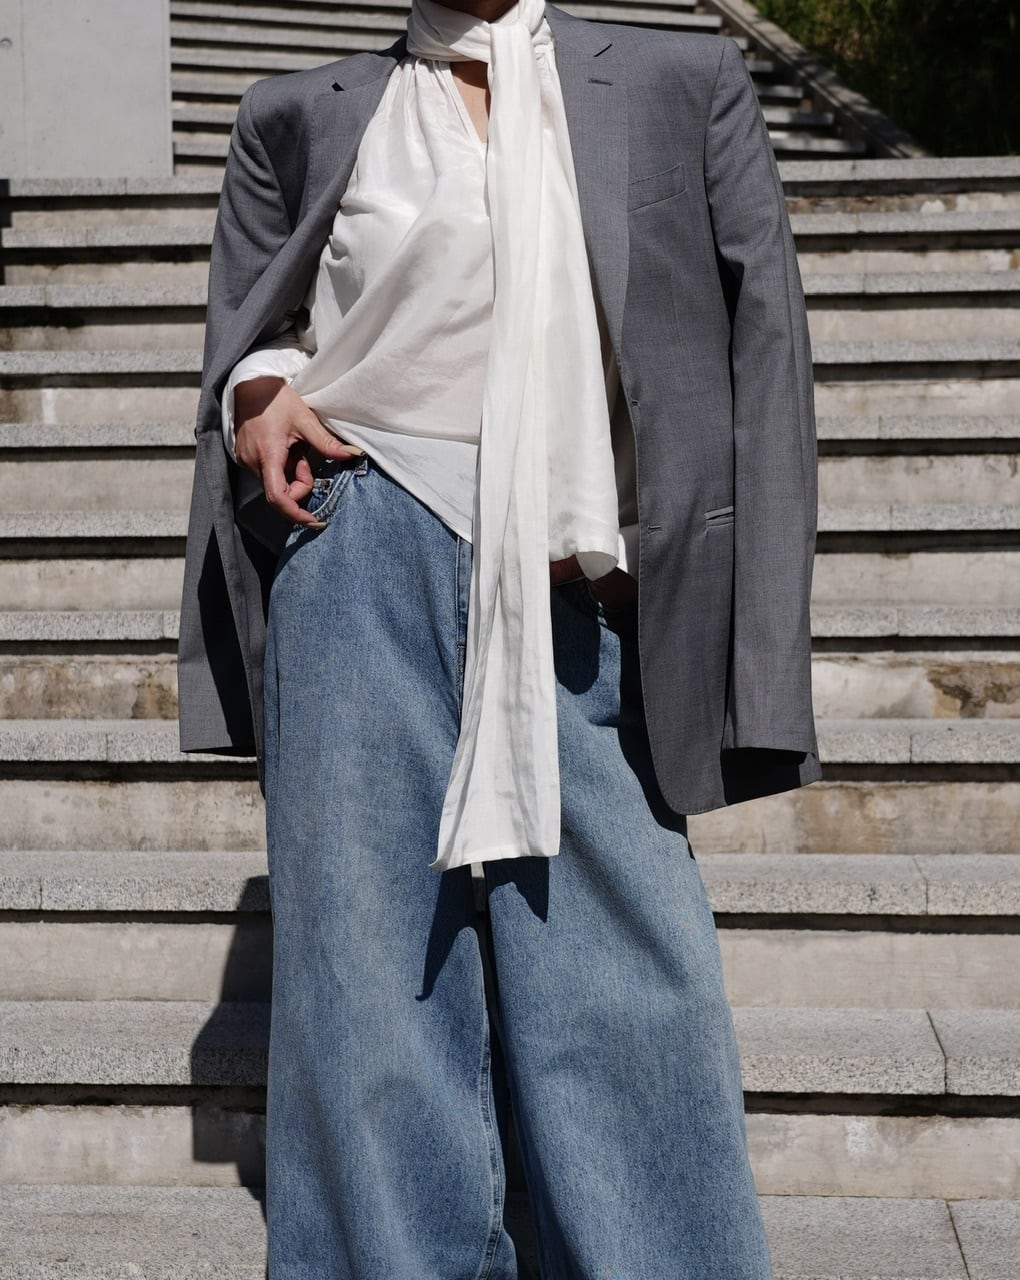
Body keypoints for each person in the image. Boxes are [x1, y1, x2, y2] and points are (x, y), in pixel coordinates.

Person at [177, 0, 820, 1273]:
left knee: (633, 986)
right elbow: (252, 333)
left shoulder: (682, 81)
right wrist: (258, 387)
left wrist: (754, 651)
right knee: (368, 992)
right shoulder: (294, 114)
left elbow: (767, 358)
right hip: (359, 550)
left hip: (581, 584)